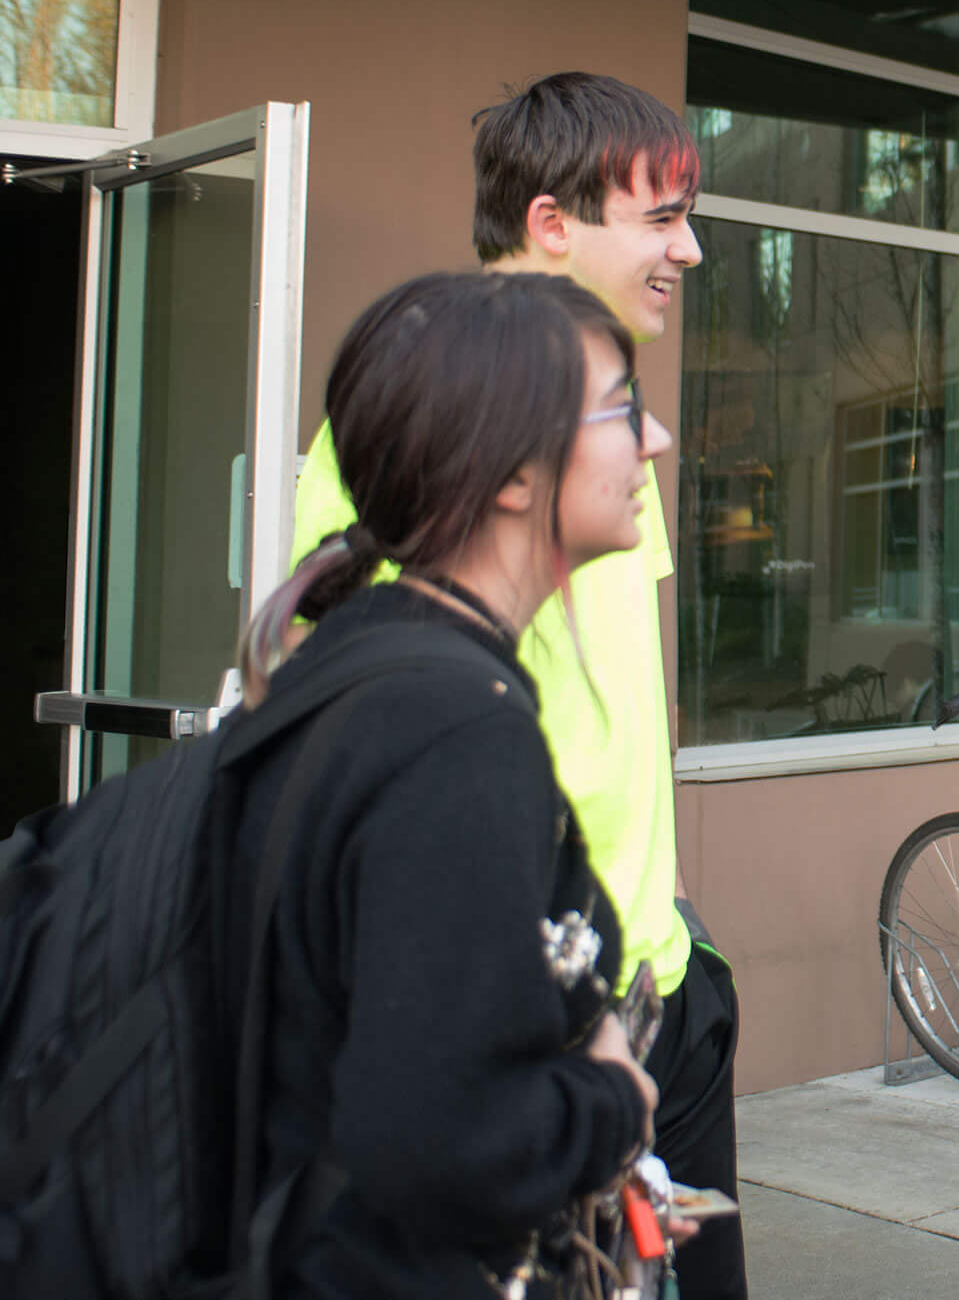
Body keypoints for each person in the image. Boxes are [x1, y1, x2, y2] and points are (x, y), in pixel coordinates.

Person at [284, 72, 745, 1300]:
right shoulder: (407, 431)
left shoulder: (602, 416)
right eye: (661, 216)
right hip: (532, 1009)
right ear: (551, 225)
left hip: (658, 985)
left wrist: (677, 924)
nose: (689, 250)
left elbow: (627, 688)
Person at [229, 270, 679, 1295]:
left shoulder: (359, 669)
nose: (653, 442)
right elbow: (440, 1139)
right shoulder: (456, 730)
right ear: (514, 474)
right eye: (624, 409)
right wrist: (613, 1094)